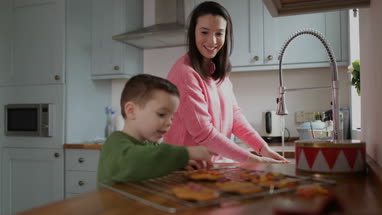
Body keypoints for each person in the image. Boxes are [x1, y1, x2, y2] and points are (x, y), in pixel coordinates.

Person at [164, 1, 288, 164]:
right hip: (186, 167)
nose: (212, 41)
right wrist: (252, 159)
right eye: (204, 32)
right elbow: (204, 133)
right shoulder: (185, 73)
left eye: (219, 33)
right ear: (193, 32)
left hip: (213, 165)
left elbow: (234, 116)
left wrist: (262, 148)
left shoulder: (218, 72)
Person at [97, 74, 212, 185]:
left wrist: (176, 164)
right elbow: (136, 162)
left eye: (172, 117)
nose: (169, 123)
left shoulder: (150, 146)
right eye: (161, 114)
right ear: (131, 111)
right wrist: (186, 153)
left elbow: (153, 162)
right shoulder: (114, 144)